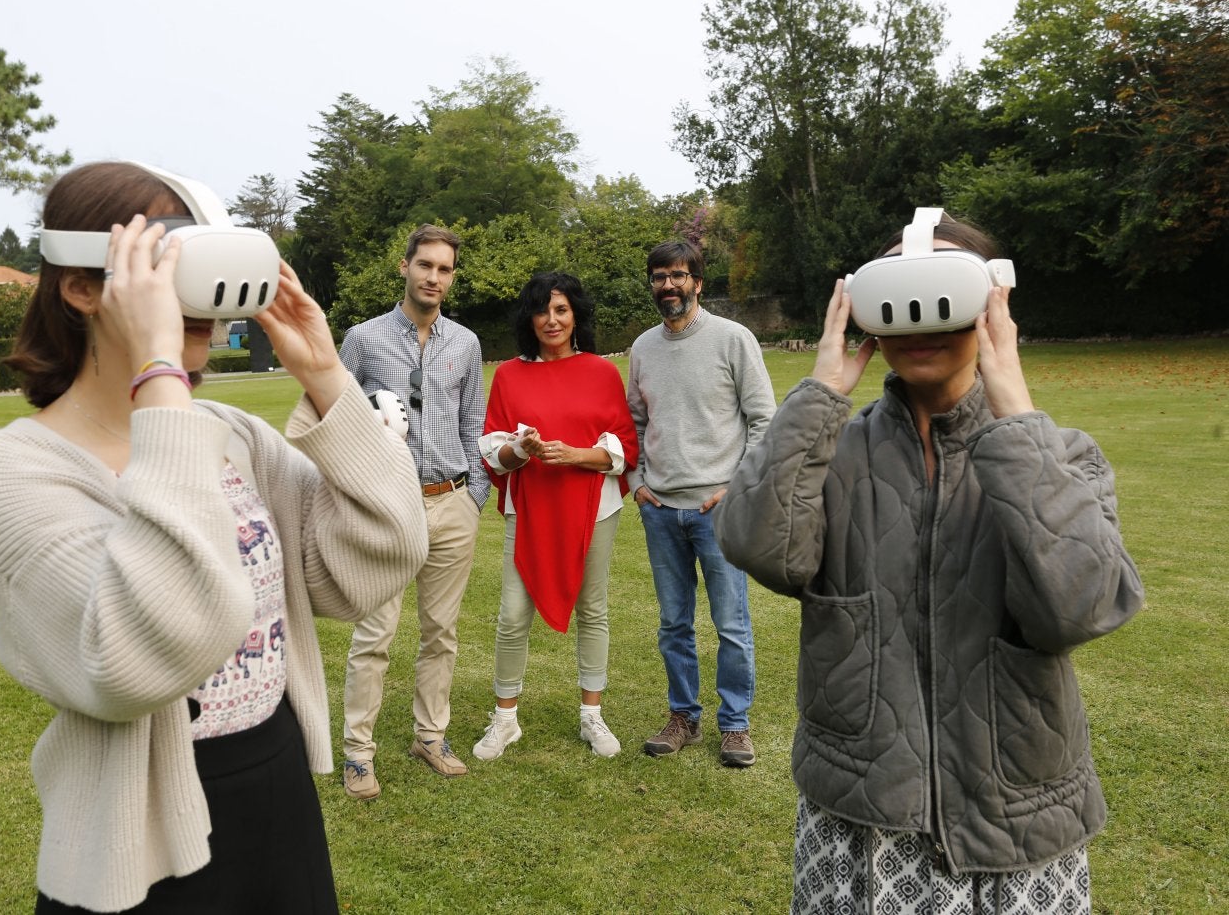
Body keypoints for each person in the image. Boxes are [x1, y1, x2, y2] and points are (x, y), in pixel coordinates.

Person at [0, 161, 427, 913]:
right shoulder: (2, 471)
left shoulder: (230, 435)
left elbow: (387, 550)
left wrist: (328, 376)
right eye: (163, 261)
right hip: (134, 832)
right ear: (79, 285)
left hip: (276, 784)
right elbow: (140, 654)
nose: (195, 293)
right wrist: (160, 379)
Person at [713, 213, 1144, 913]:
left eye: (947, 290)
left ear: (992, 300)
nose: (923, 322)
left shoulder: (1061, 454)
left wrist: (1013, 414)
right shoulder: (834, 451)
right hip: (863, 811)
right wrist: (820, 393)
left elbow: (1081, 607)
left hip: (1014, 820)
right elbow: (760, 548)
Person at [337, 224, 489, 799]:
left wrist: (473, 494)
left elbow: (473, 420)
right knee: (375, 633)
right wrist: (362, 493)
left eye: (445, 269)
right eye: (425, 265)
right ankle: (358, 752)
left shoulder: (466, 343)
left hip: (452, 501)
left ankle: (431, 735)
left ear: (452, 276)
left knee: (440, 633)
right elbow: (342, 419)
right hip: (389, 506)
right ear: (404, 267)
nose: (434, 277)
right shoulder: (363, 338)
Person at [471, 272, 639, 761]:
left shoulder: (602, 373)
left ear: (575, 316)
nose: (552, 319)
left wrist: (577, 456)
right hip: (529, 509)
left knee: (593, 609)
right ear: (530, 317)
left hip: (594, 508)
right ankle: (504, 720)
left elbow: (624, 447)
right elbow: (493, 455)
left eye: (561, 310)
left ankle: (592, 714)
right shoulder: (509, 376)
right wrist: (521, 451)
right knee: (512, 614)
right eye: (542, 310)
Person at [627, 239, 775, 767]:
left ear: (698, 283)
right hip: (660, 509)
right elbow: (636, 425)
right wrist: (637, 482)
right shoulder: (643, 349)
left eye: (679, 275)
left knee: (731, 623)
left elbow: (764, 420)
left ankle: (734, 724)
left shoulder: (733, 339)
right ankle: (682, 717)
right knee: (673, 623)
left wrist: (736, 486)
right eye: (659, 276)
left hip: (718, 510)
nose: (669, 285)